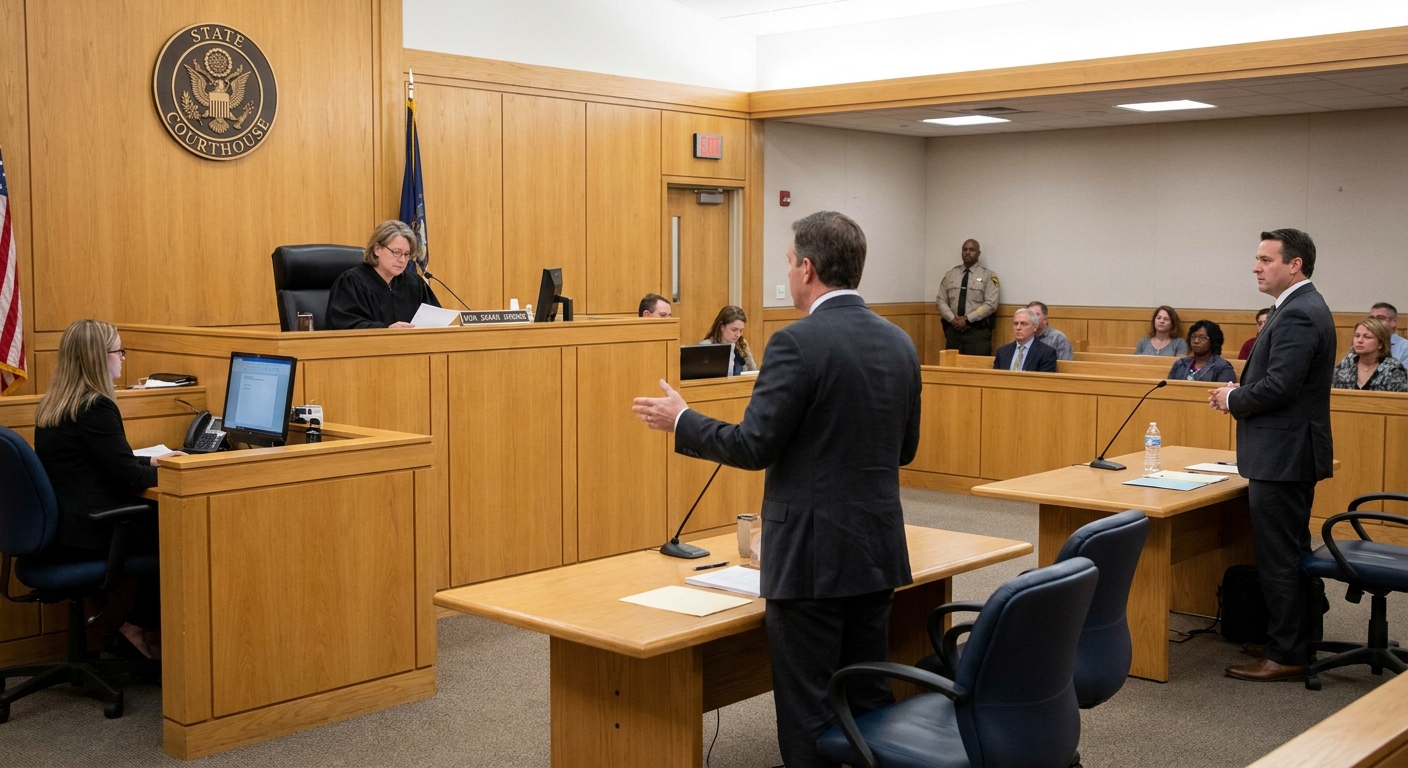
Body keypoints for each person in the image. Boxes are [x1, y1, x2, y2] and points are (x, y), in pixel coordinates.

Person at [631, 211, 920, 768]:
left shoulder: (796, 344)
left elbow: (753, 446)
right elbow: (903, 451)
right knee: (868, 699)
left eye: (788, 262)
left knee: (809, 710)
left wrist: (684, 420)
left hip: (811, 560)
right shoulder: (899, 342)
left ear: (807, 268)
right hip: (877, 550)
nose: (786, 273)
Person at [1210, 228, 1335, 683]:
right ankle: (1289, 637)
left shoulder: (1301, 313)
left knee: (1280, 556)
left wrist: (1234, 398)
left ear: (1294, 264)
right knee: (1287, 552)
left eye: (1265, 259)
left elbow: (1281, 386)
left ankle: (1286, 653)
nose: (1255, 266)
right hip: (1283, 452)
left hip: (1284, 454)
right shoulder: (1298, 307)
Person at [34, 320, 187, 661]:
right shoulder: (96, 407)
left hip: (64, 530)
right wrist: (180, 471)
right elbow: (128, 478)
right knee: (180, 532)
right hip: (92, 532)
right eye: (118, 351)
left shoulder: (56, 405)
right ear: (96, 358)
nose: (122, 359)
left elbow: (101, 460)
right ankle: (138, 629)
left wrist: (154, 462)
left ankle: (139, 629)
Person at [326, 220, 441, 329]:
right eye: (396, 252)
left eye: (406, 254)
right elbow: (345, 326)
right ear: (377, 249)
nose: (402, 260)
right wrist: (385, 330)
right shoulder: (351, 282)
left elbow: (435, 320)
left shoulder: (414, 283)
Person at [935, 238, 999, 355]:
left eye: (972, 249)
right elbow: (941, 300)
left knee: (977, 370)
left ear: (978, 253)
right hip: (953, 331)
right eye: (964, 249)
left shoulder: (988, 276)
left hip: (977, 332)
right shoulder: (950, 275)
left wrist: (968, 319)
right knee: (952, 370)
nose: (968, 252)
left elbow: (990, 304)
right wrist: (952, 319)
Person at [1332, 317, 1408, 392]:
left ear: (1380, 344)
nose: (1360, 340)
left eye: (1367, 337)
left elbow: (1400, 402)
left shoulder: (1393, 369)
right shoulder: (1346, 364)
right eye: (1357, 336)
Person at [1169, 320, 1236, 383]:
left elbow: (1224, 393)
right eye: (1193, 337)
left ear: (1213, 341)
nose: (1196, 341)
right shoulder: (1180, 364)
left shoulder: (1223, 368)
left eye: (1202, 338)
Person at [993, 308, 1058, 372]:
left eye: (1023, 324)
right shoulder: (1002, 351)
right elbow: (995, 378)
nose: (1018, 328)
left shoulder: (1046, 353)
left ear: (1035, 327)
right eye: (1015, 324)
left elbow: (1044, 381)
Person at [702, 305, 757, 376]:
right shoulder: (707, 346)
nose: (738, 335)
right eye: (734, 330)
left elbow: (753, 372)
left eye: (741, 331)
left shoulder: (742, 344)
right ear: (722, 327)